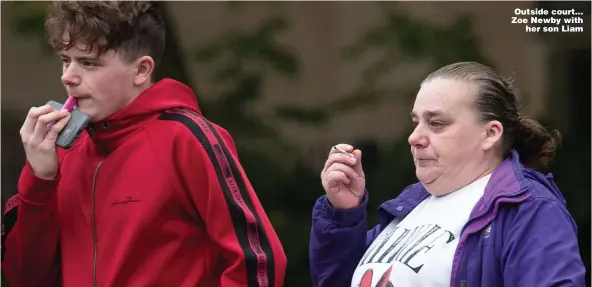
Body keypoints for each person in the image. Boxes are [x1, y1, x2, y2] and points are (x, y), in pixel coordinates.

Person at [2, 2, 287, 287]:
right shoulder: (64, 152)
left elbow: (257, 261)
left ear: (141, 70)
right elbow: (28, 278)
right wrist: (39, 181)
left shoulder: (186, 138)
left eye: (88, 63)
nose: (68, 77)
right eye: (66, 60)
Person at [309, 61, 585, 287]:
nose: (414, 137)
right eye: (416, 122)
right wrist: (343, 215)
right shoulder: (408, 208)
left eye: (436, 123)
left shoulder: (528, 209)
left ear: (490, 134)